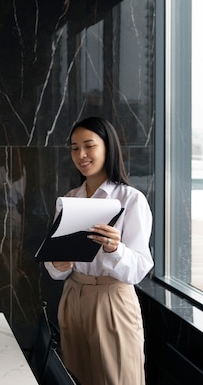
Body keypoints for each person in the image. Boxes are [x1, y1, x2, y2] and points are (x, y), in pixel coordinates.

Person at [44, 117, 154, 385]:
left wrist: (115, 249)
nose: (81, 155)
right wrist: (57, 264)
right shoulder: (69, 200)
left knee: (118, 378)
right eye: (74, 148)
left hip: (112, 300)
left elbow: (140, 268)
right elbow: (54, 266)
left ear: (108, 147)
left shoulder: (131, 199)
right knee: (74, 378)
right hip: (73, 298)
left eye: (89, 146)